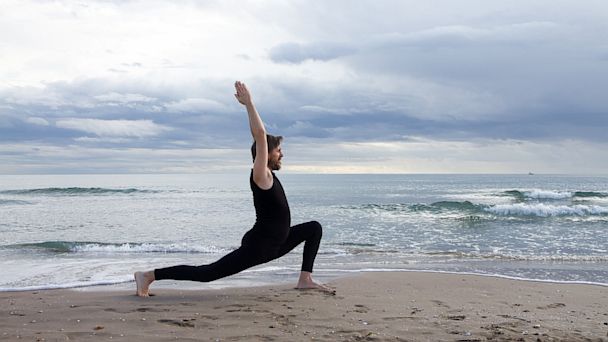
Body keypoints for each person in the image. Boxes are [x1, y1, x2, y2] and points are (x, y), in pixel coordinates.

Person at [134, 81, 331, 297]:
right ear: (265, 154)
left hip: (278, 243)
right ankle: (148, 276)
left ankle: (305, 279)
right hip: (260, 247)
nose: (281, 154)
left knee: (314, 228)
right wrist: (249, 104)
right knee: (208, 273)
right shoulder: (261, 175)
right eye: (278, 150)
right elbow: (259, 134)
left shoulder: (270, 176)